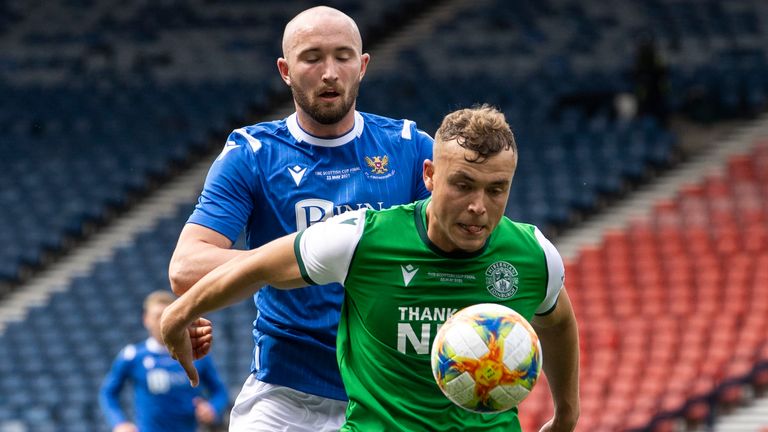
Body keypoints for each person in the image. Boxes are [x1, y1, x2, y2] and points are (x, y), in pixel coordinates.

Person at [162, 106, 580, 432]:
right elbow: (259, 267)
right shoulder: (362, 239)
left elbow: (557, 321)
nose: (478, 206)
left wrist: (566, 413)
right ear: (430, 176)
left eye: (496, 190)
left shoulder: (533, 256)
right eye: (463, 184)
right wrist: (176, 315)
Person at [167, 5, 433, 431]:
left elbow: (461, 253)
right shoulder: (251, 154)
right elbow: (186, 268)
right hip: (284, 397)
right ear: (285, 70)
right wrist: (307, 258)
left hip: (390, 396)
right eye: (312, 57)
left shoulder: (411, 148)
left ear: (362, 66)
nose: (329, 72)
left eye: (343, 56)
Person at [99, 290, 229, 432]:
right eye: (157, 317)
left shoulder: (195, 354)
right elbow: (108, 393)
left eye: (166, 316)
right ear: (146, 319)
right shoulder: (133, 356)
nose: (162, 322)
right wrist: (119, 423)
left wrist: (212, 408)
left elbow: (220, 391)